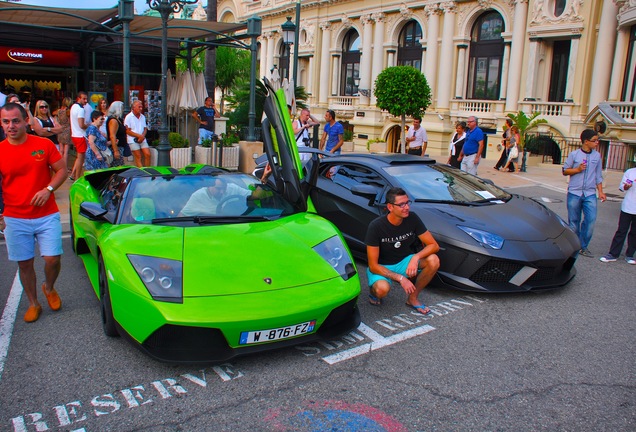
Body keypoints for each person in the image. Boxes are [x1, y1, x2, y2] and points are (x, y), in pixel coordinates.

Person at [0, 102, 66, 323]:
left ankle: (49, 287)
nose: (11, 126)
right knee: (24, 263)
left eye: (15, 120)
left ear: (26, 121)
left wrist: (48, 190)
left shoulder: (43, 144)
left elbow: (62, 171)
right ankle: (33, 303)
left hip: (46, 214)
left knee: (52, 258)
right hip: (15, 217)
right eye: (6, 122)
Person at [365, 187, 440, 314]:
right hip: (382, 266)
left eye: (407, 203)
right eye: (401, 204)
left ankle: (412, 298)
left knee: (434, 260)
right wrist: (401, 278)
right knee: (381, 290)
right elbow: (373, 265)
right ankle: (373, 293)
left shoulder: (412, 218)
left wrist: (416, 257)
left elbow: (434, 245)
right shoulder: (376, 226)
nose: (406, 207)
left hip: (404, 261)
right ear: (390, 207)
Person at [562, 128, 606, 257]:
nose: (597, 143)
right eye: (594, 140)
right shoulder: (574, 155)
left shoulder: (597, 156)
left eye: (597, 140)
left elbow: (598, 175)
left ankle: (583, 246)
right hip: (574, 192)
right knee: (574, 221)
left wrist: (601, 192)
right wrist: (578, 169)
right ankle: (574, 246)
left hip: (590, 193)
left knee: (591, 220)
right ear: (586, 142)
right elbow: (565, 170)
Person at [180, 177, 271, 216]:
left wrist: (264, 179)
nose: (222, 191)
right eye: (219, 189)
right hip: (208, 227)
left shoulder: (232, 188)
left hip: (236, 224)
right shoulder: (198, 196)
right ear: (209, 185)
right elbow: (183, 215)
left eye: (224, 188)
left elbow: (254, 196)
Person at [599, 167, 636, 264]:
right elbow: (622, 187)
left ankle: (630, 255)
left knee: (634, 233)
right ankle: (613, 254)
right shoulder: (630, 172)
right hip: (628, 207)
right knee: (621, 231)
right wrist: (626, 186)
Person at [124, 100, 151, 167]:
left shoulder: (143, 117)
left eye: (141, 107)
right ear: (134, 108)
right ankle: (141, 172)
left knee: (148, 154)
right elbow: (128, 131)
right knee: (138, 156)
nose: (141, 109)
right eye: (139, 107)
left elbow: (145, 128)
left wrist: (142, 136)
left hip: (142, 138)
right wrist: (139, 136)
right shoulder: (128, 117)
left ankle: (147, 170)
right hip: (133, 140)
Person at [69, 91, 89, 180]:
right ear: (78, 98)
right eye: (84, 99)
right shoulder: (81, 109)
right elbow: (81, 125)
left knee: (79, 157)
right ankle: (77, 177)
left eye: (86, 99)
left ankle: (73, 174)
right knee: (81, 158)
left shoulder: (73, 107)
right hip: (80, 135)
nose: (86, 101)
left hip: (75, 134)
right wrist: (89, 125)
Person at [107, 101, 129, 167]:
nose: (123, 109)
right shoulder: (113, 120)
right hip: (116, 147)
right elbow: (112, 136)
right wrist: (116, 151)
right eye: (122, 108)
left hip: (121, 147)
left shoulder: (118, 119)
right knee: (117, 167)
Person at [55, 97, 72, 171]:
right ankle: (65, 167)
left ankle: (59, 166)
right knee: (66, 151)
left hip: (60, 130)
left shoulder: (59, 111)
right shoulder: (68, 111)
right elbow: (70, 122)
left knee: (61, 150)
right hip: (67, 130)